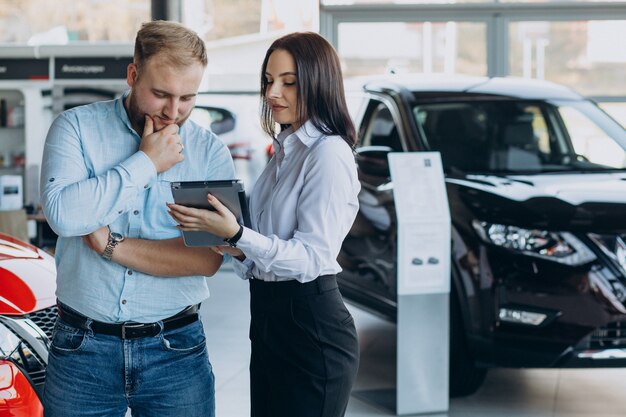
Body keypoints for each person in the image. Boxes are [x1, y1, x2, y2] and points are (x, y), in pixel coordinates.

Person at [40, 20, 234, 417]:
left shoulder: (210, 152)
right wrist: (147, 162)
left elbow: (206, 259)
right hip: (81, 349)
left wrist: (111, 245)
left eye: (187, 98)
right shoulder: (74, 129)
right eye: (161, 94)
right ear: (133, 75)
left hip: (176, 350)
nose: (173, 111)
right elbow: (64, 216)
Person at [167, 31, 360, 417]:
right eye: (268, 81)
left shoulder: (328, 154)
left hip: (312, 326)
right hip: (269, 319)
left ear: (318, 83)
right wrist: (234, 244)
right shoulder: (284, 150)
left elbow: (311, 258)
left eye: (288, 82)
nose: (273, 92)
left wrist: (239, 234)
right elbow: (269, 246)